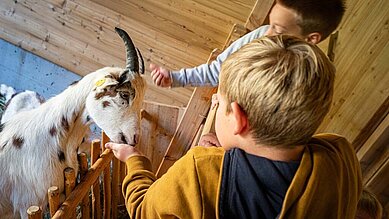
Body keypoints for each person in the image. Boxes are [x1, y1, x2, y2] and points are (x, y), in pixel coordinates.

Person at [106, 35, 362, 218]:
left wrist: (135, 160)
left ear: (239, 120)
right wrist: (232, 152)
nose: (215, 100)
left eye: (220, 99)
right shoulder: (340, 157)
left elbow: (142, 209)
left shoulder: (201, 173)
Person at [150, 0, 346, 88]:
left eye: (278, 30)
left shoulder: (311, 78)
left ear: (311, 39)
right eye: (270, 23)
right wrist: (176, 78)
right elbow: (219, 70)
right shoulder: (260, 35)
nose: (266, 34)